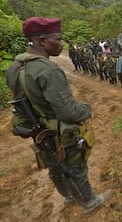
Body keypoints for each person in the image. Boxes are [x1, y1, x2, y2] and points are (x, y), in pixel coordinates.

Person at [6, 17, 112, 214]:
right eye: (58, 39)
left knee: (54, 167)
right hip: (58, 133)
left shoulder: (15, 67)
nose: (61, 43)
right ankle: (90, 201)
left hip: (39, 131)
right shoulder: (49, 70)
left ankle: (69, 196)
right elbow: (69, 112)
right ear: (42, 41)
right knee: (75, 167)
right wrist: (86, 109)